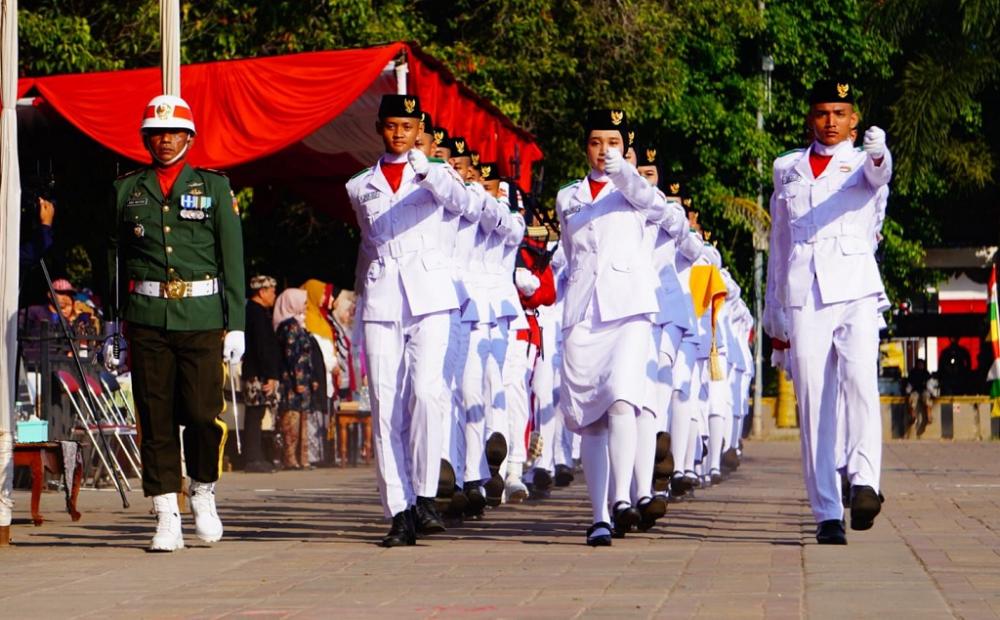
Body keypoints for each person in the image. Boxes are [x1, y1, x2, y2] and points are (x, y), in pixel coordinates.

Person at [107, 94, 245, 552]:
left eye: (173, 133)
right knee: (155, 416)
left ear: (189, 137)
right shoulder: (127, 189)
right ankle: (166, 511)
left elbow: (232, 259)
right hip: (146, 319)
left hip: (203, 318)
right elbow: (115, 260)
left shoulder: (215, 187)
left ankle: (203, 489)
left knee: (204, 415)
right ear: (146, 138)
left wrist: (237, 321)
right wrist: (114, 323)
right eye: (156, 133)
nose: (165, 141)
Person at [763, 79, 891, 545]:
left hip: (855, 287)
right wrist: (774, 314)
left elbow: (880, 175)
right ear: (810, 118)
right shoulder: (787, 168)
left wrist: (878, 153)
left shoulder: (862, 162)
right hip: (804, 291)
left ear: (854, 119)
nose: (831, 121)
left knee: (859, 382)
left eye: (840, 113)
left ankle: (864, 482)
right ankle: (826, 511)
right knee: (814, 400)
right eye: (823, 113)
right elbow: (780, 241)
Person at [346, 94, 476, 547]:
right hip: (383, 296)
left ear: (420, 128)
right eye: (391, 126)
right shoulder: (360, 185)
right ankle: (399, 509)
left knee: (426, 392)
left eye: (407, 126)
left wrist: (427, 172)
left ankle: (424, 493)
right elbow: (367, 245)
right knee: (385, 405)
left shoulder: (436, 174)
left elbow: (468, 208)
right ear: (380, 127)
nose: (399, 134)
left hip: (431, 294)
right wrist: (359, 300)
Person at [556, 109, 681, 546]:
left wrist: (625, 171)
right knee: (591, 419)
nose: (602, 150)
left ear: (625, 148)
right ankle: (598, 516)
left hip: (629, 309)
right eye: (595, 142)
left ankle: (624, 498)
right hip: (583, 313)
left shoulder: (636, 190)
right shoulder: (568, 196)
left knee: (623, 403)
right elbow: (572, 254)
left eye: (612, 142)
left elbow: (659, 209)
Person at [242, 275, 279, 473]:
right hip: (257, 373)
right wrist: (270, 374)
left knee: (257, 413)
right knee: (254, 414)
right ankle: (253, 457)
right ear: (262, 292)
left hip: (256, 371)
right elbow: (262, 347)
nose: (274, 295)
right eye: (272, 291)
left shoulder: (257, 312)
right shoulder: (256, 314)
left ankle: (258, 455)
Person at [274, 288, 313, 469]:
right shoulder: (289, 326)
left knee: (302, 420)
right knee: (291, 420)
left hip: (302, 381)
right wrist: (298, 381)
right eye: (303, 302)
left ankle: (302, 458)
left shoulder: (298, 324)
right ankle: (290, 459)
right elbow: (292, 356)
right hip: (292, 383)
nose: (305, 306)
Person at [905, 358, 933, 437]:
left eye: (922, 364)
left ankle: (929, 416)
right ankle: (912, 416)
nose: (920, 366)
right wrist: (907, 392)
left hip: (924, 390)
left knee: (927, 399)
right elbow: (909, 385)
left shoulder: (926, 373)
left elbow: (929, 385)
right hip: (915, 390)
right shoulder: (913, 373)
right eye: (919, 364)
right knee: (912, 399)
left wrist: (932, 393)